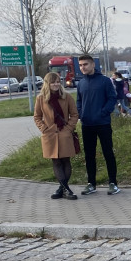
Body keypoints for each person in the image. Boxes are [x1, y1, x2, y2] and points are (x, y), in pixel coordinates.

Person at [75, 54, 120, 195]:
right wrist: (81, 114)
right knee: (89, 155)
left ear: (93, 64)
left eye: (85, 64)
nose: (83, 67)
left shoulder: (105, 81)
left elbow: (112, 98)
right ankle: (91, 184)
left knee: (108, 153)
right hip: (87, 124)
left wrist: (103, 112)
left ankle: (113, 183)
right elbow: (79, 101)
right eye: (81, 65)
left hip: (103, 123)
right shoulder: (81, 83)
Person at [33, 71, 80, 200]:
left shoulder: (66, 97)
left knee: (66, 160)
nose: (56, 84)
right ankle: (66, 190)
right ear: (47, 83)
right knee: (56, 162)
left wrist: (69, 128)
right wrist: (44, 128)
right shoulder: (41, 98)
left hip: (64, 133)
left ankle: (63, 189)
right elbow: (37, 116)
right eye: (53, 82)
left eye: (58, 82)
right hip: (50, 135)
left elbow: (74, 114)